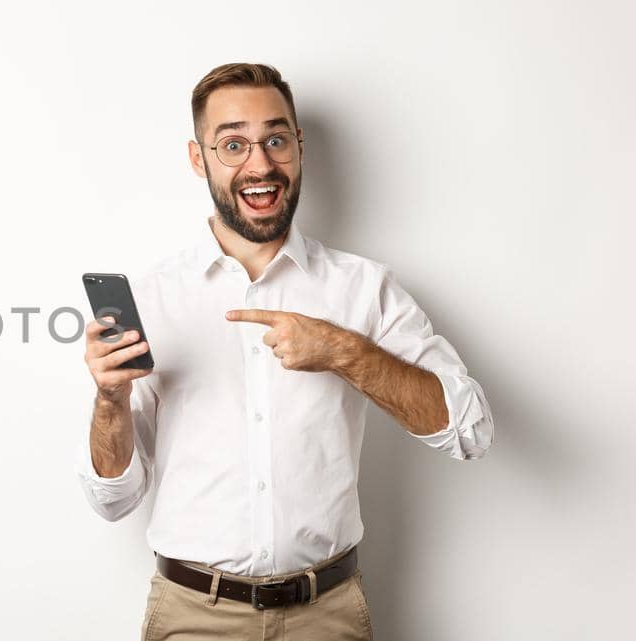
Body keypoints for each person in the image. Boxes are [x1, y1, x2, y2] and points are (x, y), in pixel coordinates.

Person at [77, 63, 495, 640]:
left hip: (328, 616)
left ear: (298, 148)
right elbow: (112, 500)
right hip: (192, 618)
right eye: (233, 145)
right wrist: (108, 400)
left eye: (276, 139)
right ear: (199, 159)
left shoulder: (362, 288)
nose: (260, 164)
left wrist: (346, 353)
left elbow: (468, 431)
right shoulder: (151, 299)